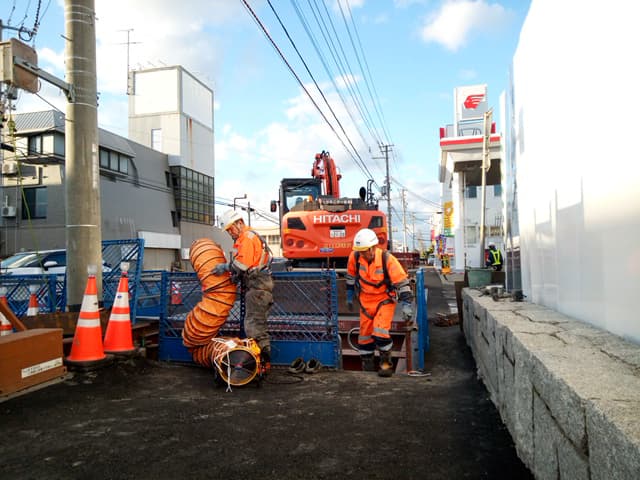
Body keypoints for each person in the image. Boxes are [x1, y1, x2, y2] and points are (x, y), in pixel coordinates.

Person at [345, 228, 414, 377]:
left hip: (384, 300)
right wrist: (349, 295)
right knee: (364, 338)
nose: (362, 254)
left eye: (364, 251)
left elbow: (402, 283)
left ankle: (386, 364)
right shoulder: (355, 257)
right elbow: (350, 277)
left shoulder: (387, 259)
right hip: (365, 302)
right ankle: (367, 369)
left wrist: (406, 305)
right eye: (360, 251)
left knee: (380, 331)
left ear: (372, 248)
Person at [213, 209, 274, 367]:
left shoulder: (246, 238)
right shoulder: (248, 237)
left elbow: (242, 265)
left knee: (254, 326)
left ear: (239, 223)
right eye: (227, 230)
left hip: (257, 288)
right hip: (259, 287)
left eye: (230, 229)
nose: (230, 233)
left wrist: (224, 267)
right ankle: (262, 363)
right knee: (257, 325)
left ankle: (260, 363)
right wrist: (237, 275)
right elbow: (248, 265)